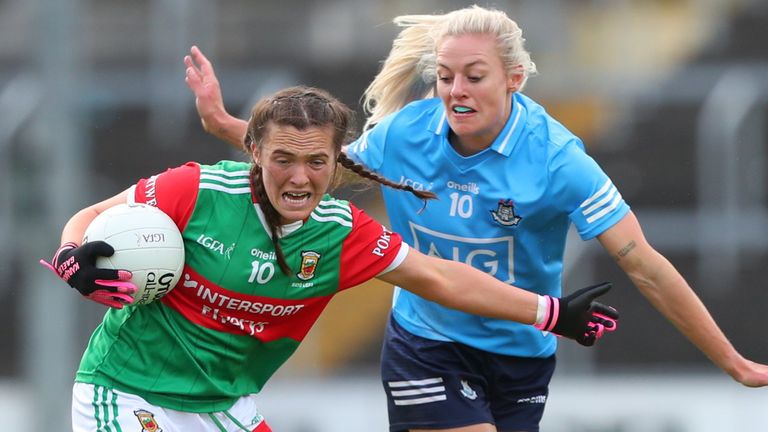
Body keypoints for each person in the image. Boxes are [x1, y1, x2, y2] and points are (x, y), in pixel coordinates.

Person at [184, 5, 768, 432]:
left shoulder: (557, 160)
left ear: (514, 78)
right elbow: (314, 170)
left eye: (474, 76)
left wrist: (732, 361)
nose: (455, 91)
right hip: (426, 344)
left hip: (523, 355)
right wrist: (228, 126)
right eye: (444, 76)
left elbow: (643, 265)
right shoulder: (406, 134)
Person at [40, 86, 618, 432]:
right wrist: (72, 255)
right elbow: (93, 215)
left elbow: (439, 277)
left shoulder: (341, 234)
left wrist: (549, 312)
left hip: (223, 407)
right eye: (283, 159)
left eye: (316, 162)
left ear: (336, 161)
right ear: (254, 151)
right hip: (125, 390)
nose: (299, 177)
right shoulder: (195, 190)